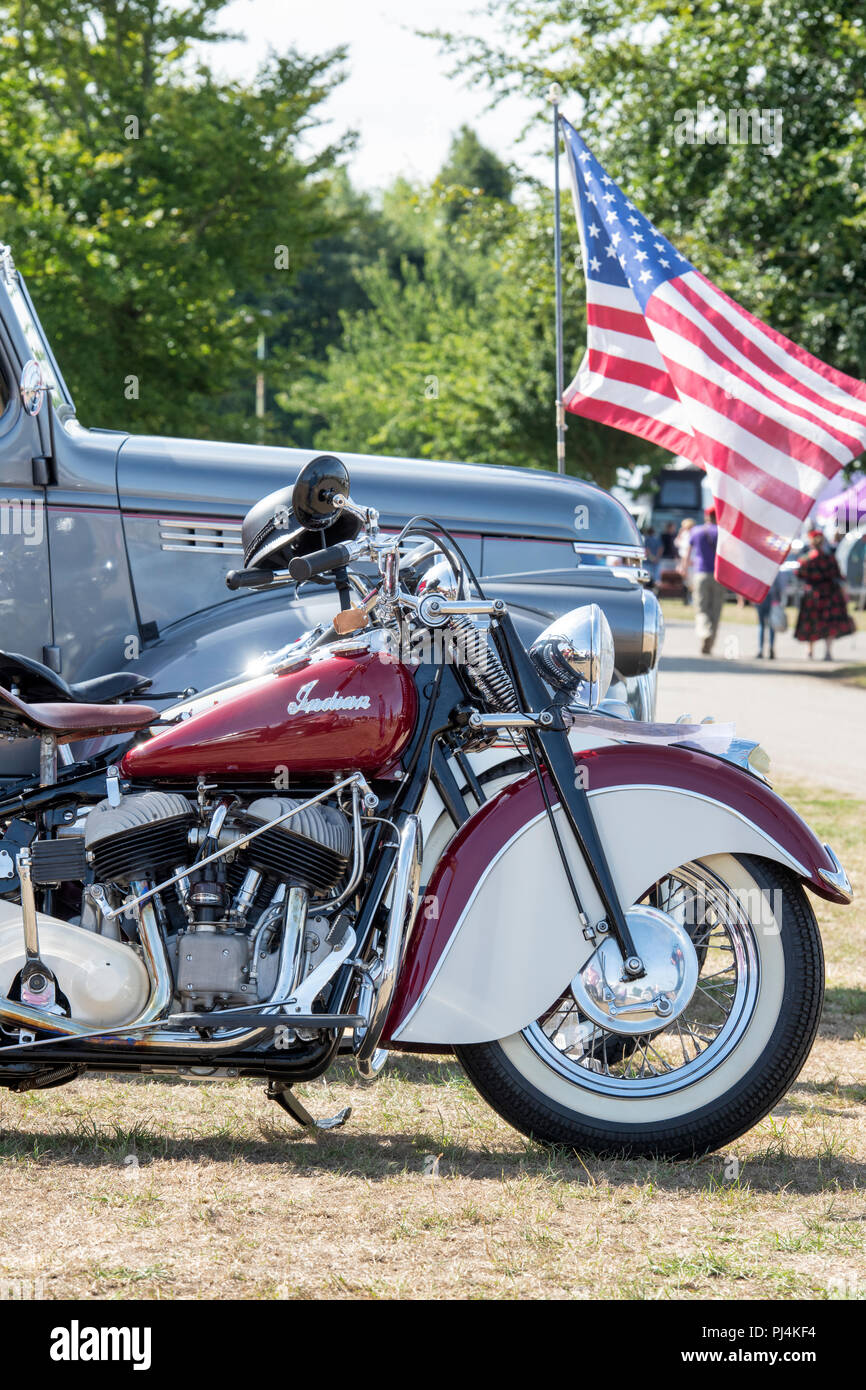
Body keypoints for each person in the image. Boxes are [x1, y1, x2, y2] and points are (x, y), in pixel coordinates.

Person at [794, 527, 855, 660]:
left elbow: (798, 574)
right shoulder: (829, 558)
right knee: (828, 623)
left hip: (813, 594)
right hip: (829, 594)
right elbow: (838, 575)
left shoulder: (806, 559)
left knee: (812, 622)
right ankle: (827, 651)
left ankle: (810, 651)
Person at [688, 507, 726, 654]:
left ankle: (704, 632)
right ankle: (710, 643)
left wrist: (684, 569)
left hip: (701, 573)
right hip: (719, 575)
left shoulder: (696, 531)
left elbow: (688, 553)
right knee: (715, 610)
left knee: (701, 608)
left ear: (706, 516)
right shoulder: (722, 532)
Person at [755, 573, 784, 659]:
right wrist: (779, 600)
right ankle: (770, 647)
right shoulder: (774, 570)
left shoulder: (759, 571)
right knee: (770, 625)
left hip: (761, 597)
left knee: (762, 625)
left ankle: (761, 649)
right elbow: (779, 586)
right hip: (771, 598)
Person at [676, 518, 696, 605]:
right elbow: (677, 543)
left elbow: (687, 550)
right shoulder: (684, 534)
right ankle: (687, 599)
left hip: (690, 561)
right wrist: (680, 533)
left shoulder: (691, 535)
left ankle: (691, 599)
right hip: (685, 560)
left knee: (691, 582)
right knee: (687, 582)